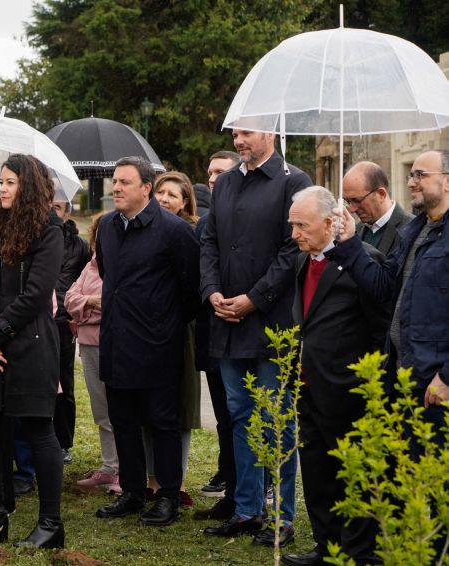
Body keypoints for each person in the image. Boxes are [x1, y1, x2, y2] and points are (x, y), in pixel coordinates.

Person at [200, 128, 311, 546]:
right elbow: (209, 241)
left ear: (270, 132)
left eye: (246, 132)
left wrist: (254, 298)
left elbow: (293, 249)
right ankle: (247, 510)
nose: (238, 139)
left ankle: (282, 517)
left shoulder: (293, 181)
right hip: (226, 321)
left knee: (276, 421)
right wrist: (211, 291)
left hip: (271, 325)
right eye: (235, 132)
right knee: (240, 416)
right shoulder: (227, 182)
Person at [282, 186, 389, 566]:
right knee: (316, 473)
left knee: (351, 474)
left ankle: (359, 553)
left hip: (350, 392)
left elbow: (380, 329)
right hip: (308, 387)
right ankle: (326, 547)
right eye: (292, 224)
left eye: (301, 225)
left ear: (330, 224)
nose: (294, 233)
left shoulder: (364, 263)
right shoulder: (300, 262)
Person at [94, 156, 200, 527]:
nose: (116, 188)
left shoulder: (173, 231)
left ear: (145, 189)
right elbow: (110, 277)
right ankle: (133, 492)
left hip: (157, 345)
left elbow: (190, 291)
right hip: (116, 342)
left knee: (162, 423)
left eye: (124, 182)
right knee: (123, 421)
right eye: (115, 182)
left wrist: (162, 324)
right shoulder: (107, 227)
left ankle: (168, 495)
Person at [0, 154, 65, 548]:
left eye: (10, 182)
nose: (2, 188)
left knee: (39, 431)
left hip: (31, 345)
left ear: (29, 186)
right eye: (2, 182)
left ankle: (51, 524)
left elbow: (37, 295)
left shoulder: (49, 230)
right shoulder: (0, 226)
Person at [330, 150, 449, 436]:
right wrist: (348, 242)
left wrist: (446, 377)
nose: (411, 182)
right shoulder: (415, 231)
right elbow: (382, 285)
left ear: (447, 182)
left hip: (435, 383)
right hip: (404, 375)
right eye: (411, 175)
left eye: (421, 175)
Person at [193, 150, 240, 516]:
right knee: (224, 414)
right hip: (211, 328)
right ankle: (228, 478)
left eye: (220, 172)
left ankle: (244, 487)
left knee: (239, 413)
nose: (213, 178)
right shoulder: (206, 223)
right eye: (210, 172)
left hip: (241, 325)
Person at [152, 170, 202, 507]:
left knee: (179, 406)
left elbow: (191, 286)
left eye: (172, 194)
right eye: (160, 192)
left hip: (180, 330)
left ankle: (176, 478)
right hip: (145, 330)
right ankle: (151, 479)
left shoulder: (189, 233)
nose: (165, 199)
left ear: (185, 202)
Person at [65, 212, 119, 491]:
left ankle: (123, 469)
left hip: (113, 344)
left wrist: (84, 309)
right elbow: (69, 299)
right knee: (101, 410)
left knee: (118, 410)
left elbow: (116, 304)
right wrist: (90, 303)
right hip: (88, 345)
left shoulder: (122, 264)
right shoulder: (91, 266)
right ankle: (110, 467)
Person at [51, 199, 91, 463]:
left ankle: (63, 441)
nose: (52, 211)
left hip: (64, 319)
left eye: (57, 206)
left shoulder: (79, 245)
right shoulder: (33, 237)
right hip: (36, 317)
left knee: (64, 381)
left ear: (66, 210)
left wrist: (75, 313)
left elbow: (87, 279)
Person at [343, 161, 414, 256]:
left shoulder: (412, 230)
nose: (352, 209)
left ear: (381, 194)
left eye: (357, 200)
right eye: (348, 202)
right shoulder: (354, 232)